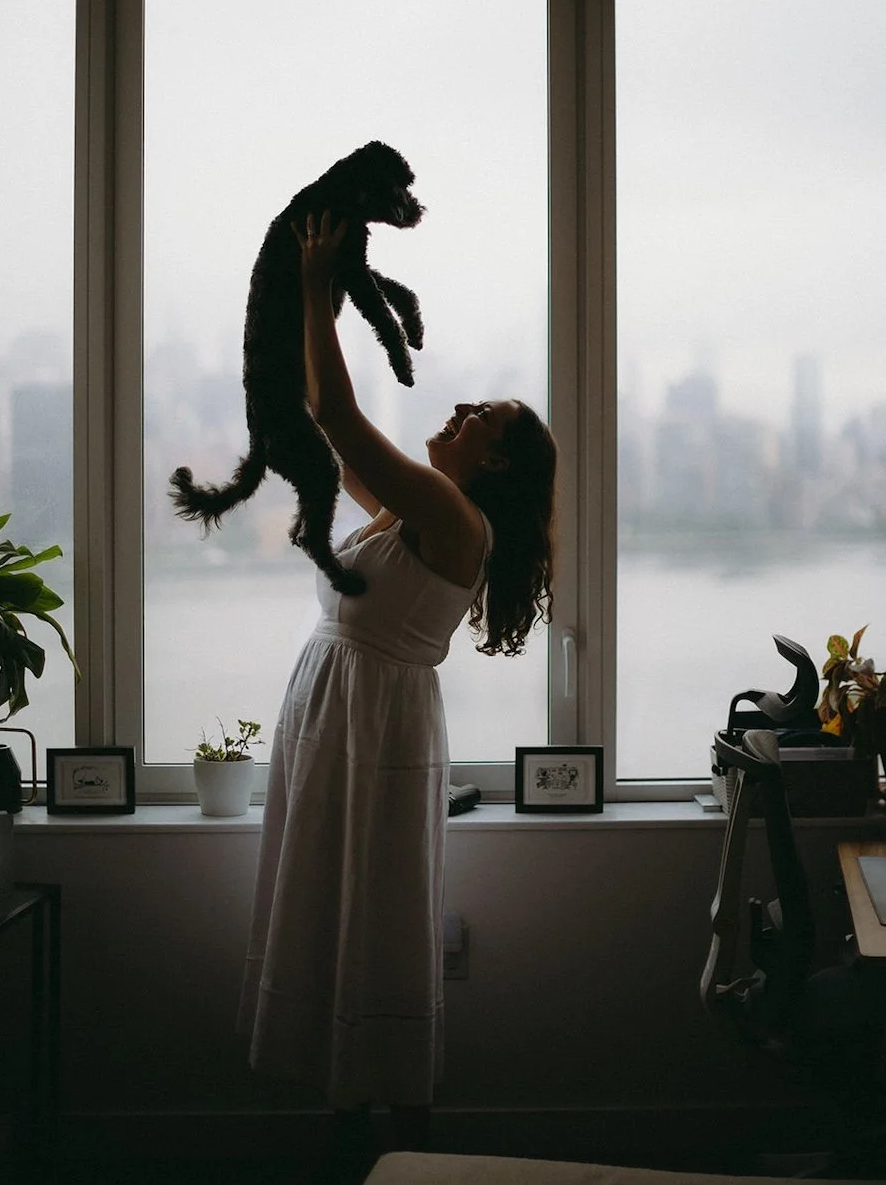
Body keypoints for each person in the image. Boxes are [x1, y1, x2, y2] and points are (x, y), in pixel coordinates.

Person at [237, 210, 557, 1180]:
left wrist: (317, 294)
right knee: (339, 913)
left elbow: (341, 419)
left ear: (492, 463)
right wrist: (309, 311)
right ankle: (358, 1136)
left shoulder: (454, 518)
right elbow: (326, 424)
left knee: (376, 919)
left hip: (372, 728)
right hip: (342, 717)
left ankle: (401, 1146)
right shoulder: (412, 512)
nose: (459, 412)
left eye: (479, 419)